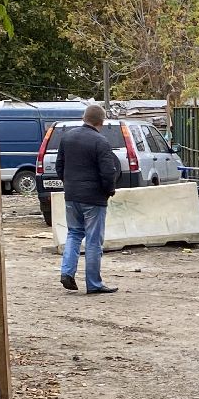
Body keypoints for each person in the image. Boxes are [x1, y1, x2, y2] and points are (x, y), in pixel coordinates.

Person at [57, 103, 119, 295]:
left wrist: (70, 184)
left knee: (74, 233)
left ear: (84, 118)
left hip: (72, 196)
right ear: (102, 121)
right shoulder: (101, 142)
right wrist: (109, 190)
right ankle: (93, 283)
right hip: (94, 199)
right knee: (93, 241)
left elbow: (60, 166)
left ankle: (67, 272)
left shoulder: (67, 137)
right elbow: (108, 172)